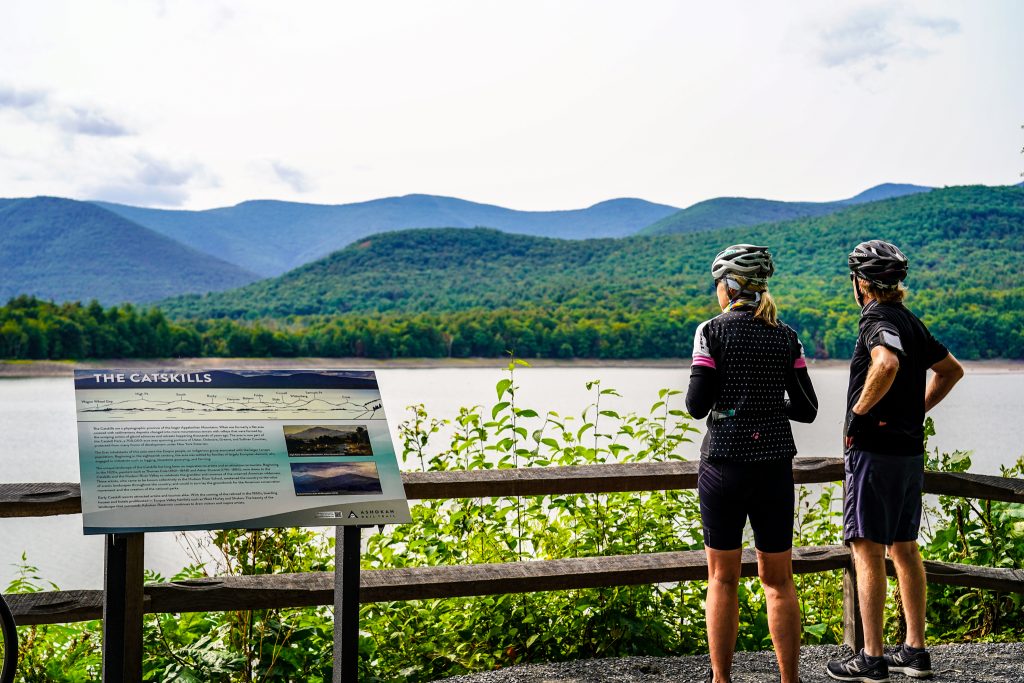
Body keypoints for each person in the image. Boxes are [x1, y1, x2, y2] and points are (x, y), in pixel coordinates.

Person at [826, 240, 963, 682]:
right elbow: (951, 370)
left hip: (875, 451)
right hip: (908, 451)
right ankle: (915, 652)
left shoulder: (876, 318)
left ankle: (871, 658)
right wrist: (915, 410)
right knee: (904, 548)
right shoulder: (910, 320)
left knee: (866, 548)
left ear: (860, 282)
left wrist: (859, 414)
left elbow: (884, 363)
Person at [686, 244, 818, 683]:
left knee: (722, 578)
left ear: (729, 285)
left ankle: (722, 679)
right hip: (774, 467)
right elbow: (807, 408)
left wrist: (733, 400)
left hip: (724, 464)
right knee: (778, 581)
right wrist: (768, 403)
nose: (716, 292)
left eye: (717, 284)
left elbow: (696, 404)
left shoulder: (711, 331)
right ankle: (789, 680)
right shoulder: (787, 335)